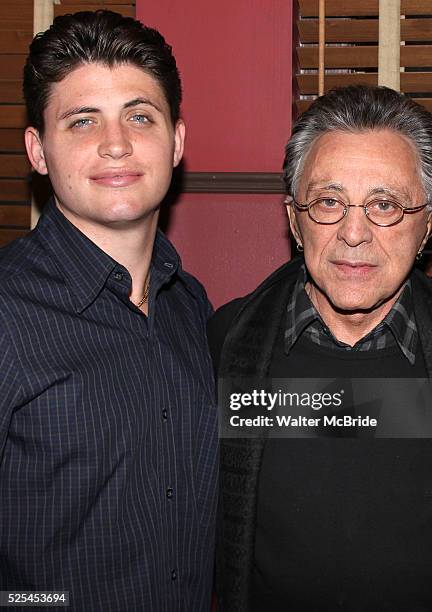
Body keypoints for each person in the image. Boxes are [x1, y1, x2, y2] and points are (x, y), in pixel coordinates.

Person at [209, 85, 432, 611]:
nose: (354, 233)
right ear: (293, 219)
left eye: (385, 205)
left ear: (429, 225)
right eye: (329, 201)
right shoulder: (224, 342)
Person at [0, 10, 218, 611]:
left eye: (139, 116)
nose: (116, 143)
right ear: (38, 151)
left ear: (176, 142)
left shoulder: (192, 306)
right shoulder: (7, 315)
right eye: (82, 120)